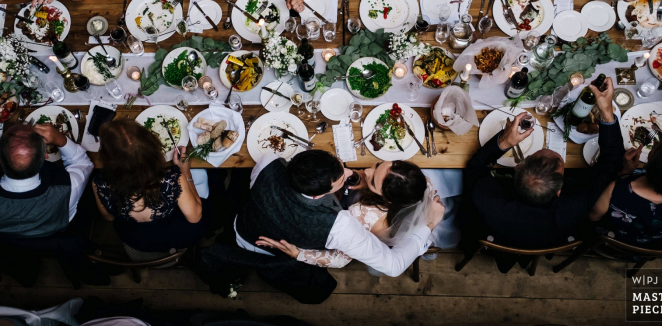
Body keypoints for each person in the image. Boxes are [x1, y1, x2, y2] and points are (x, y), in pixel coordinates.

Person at [462, 77, 623, 249]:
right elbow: (612, 162)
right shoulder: (575, 208)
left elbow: (474, 167)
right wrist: (606, 111)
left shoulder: (487, 200)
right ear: (559, 191)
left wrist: (504, 142)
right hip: (546, 241)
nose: (553, 154)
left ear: (518, 167)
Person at [232, 150, 445, 276]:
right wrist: (299, 254)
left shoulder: (268, 160)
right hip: (256, 243)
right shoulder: (342, 225)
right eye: (341, 179)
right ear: (319, 196)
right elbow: (391, 265)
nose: (354, 173)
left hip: (249, 219)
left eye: (376, 169)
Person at [590, 93, 662, 246]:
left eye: (654, 150)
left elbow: (593, 216)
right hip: (653, 246)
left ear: (647, 169)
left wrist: (625, 172)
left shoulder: (618, 189)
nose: (654, 144)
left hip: (613, 242)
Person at [92, 120, 209, 252]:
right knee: (209, 181)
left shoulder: (99, 183)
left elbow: (109, 217)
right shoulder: (172, 178)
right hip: (176, 235)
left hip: (135, 239)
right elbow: (195, 217)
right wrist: (186, 172)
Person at [0, 123, 93, 238]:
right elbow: (83, 163)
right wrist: (60, 140)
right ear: (45, 155)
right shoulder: (67, 187)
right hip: (61, 236)